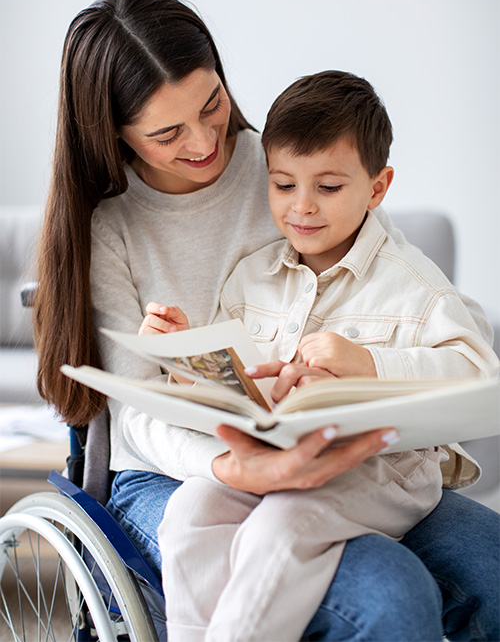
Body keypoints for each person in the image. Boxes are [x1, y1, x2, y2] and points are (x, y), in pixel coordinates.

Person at [33, 0, 499, 641]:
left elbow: (389, 284)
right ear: (114, 132)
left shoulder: (291, 162)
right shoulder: (107, 230)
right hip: (175, 468)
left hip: (328, 451)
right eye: (167, 133)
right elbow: (140, 413)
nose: (203, 141)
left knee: (491, 565)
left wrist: (357, 367)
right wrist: (232, 457)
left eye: (213, 105)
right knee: (386, 592)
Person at [142, 70, 500, 641]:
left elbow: (480, 374)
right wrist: (187, 353)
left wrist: (370, 364)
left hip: (378, 470)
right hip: (279, 462)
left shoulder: (413, 285)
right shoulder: (252, 277)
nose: (302, 208)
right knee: (189, 513)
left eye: (328, 188)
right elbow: (239, 385)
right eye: (284, 185)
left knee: (278, 530)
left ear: (377, 188)